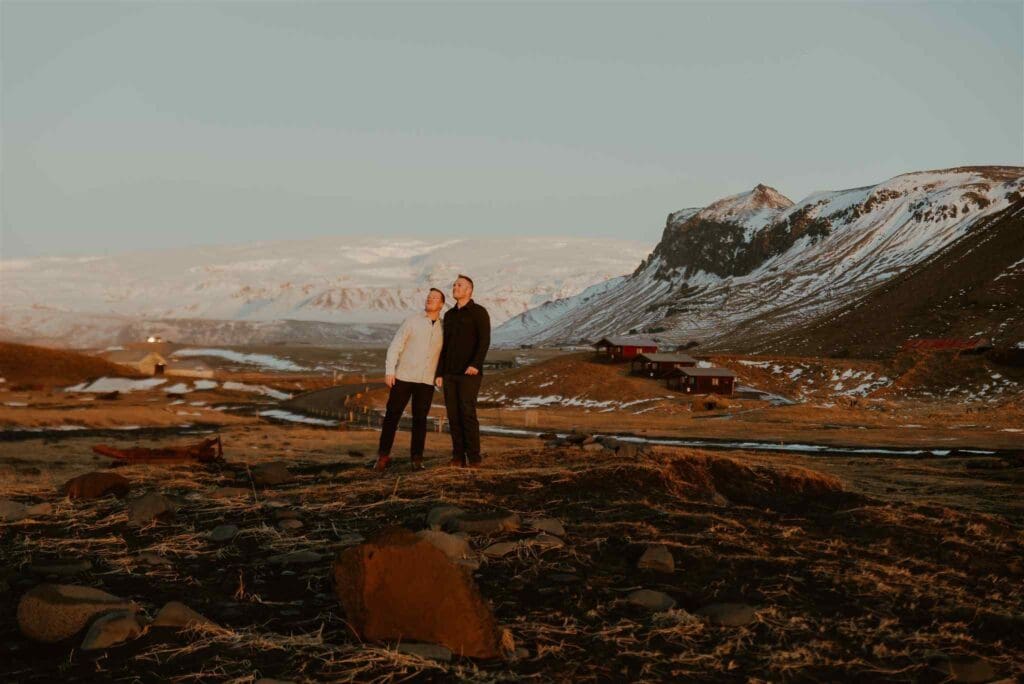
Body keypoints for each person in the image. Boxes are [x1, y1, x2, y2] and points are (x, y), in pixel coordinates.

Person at [373, 288, 446, 471]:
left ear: (442, 304)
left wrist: (441, 375)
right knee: (392, 416)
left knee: (420, 420)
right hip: (404, 376)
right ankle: (383, 456)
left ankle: (416, 459)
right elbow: (395, 345)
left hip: (426, 380)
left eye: (435, 298)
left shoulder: (444, 327)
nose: (430, 299)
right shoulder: (412, 321)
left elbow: (446, 355)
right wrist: (390, 370)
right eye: (429, 297)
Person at [434, 274, 490, 468]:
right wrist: (439, 373)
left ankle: (474, 457)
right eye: (454, 285)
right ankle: (458, 456)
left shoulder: (479, 312)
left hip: (470, 373)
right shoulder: (449, 316)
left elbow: (484, 341)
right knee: (453, 415)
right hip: (449, 374)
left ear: (469, 290)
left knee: (467, 413)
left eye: (460, 285)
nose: (455, 287)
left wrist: (475, 364)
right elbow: (444, 346)